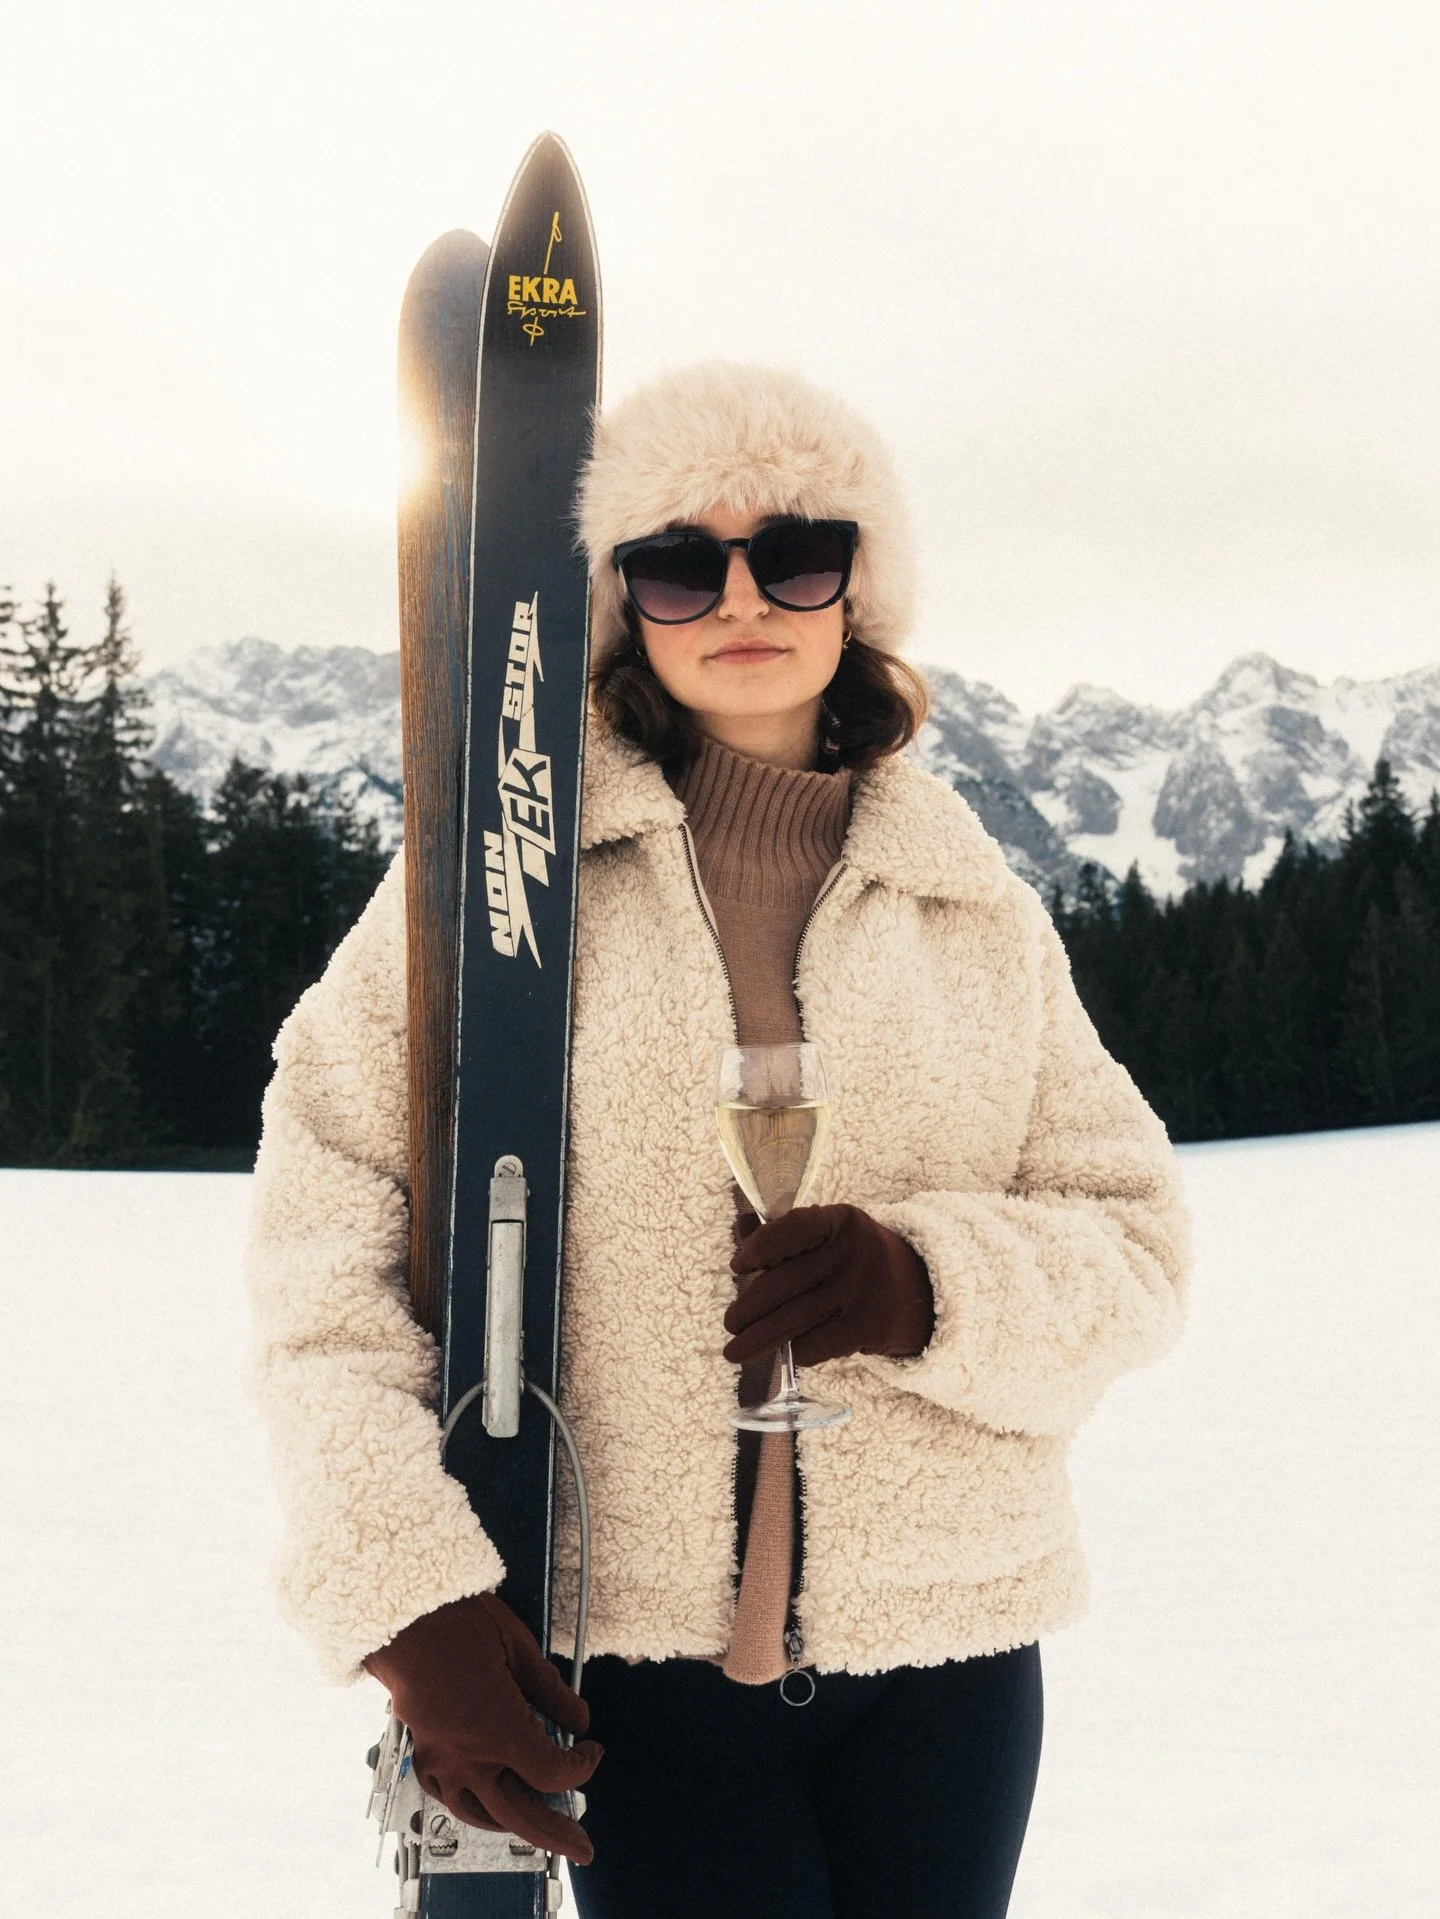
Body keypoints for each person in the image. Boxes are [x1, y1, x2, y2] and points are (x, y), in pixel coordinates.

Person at [245, 361, 1189, 1919]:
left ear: (858, 588)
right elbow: (324, 1220)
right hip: (634, 1664)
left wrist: (928, 1284)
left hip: (948, 1648)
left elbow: (1135, 1237)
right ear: (622, 601)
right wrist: (399, 1580)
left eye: (797, 551)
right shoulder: (508, 881)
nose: (742, 595)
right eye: (682, 561)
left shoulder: (973, 905)